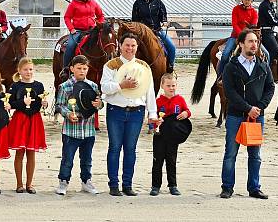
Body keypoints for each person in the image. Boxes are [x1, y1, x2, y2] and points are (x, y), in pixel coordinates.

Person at [100, 33, 157, 196]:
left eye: (133, 46)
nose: (130, 48)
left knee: (131, 149)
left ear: (137, 47)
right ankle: (113, 185)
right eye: (127, 45)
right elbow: (104, 87)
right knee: (115, 147)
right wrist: (121, 85)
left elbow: (149, 91)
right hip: (116, 110)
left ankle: (127, 184)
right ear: (120, 46)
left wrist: (152, 113)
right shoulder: (111, 65)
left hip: (136, 112)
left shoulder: (144, 66)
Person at [220, 29, 274, 200]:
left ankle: (254, 187)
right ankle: (227, 187)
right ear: (241, 44)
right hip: (236, 115)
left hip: (257, 116)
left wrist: (259, 107)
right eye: (250, 41)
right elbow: (230, 92)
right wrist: (247, 108)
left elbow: (270, 87)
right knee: (231, 153)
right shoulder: (231, 66)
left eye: (256, 42)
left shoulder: (263, 65)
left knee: (255, 155)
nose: (254, 45)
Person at [55, 55, 104, 196]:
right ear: (72, 69)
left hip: (88, 130)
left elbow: (99, 104)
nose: (82, 71)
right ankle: (63, 182)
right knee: (67, 159)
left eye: (84, 68)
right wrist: (68, 114)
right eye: (79, 68)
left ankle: (86, 181)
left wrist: (98, 104)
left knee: (87, 159)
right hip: (71, 131)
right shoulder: (65, 86)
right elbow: (59, 105)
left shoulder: (93, 86)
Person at [7, 57, 48, 194]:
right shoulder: (15, 86)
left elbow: (39, 103)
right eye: (25, 69)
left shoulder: (39, 85)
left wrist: (44, 104)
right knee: (20, 152)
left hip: (34, 120)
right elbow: (10, 104)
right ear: (19, 71)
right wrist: (22, 103)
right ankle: (19, 184)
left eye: (30, 69)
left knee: (31, 153)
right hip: (20, 119)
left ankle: (29, 184)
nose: (28, 72)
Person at [149, 73, 191, 196]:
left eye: (173, 85)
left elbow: (187, 111)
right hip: (160, 135)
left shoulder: (180, 100)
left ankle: (172, 185)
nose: (171, 88)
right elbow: (151, 118)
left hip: (173, 136)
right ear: (162, 86)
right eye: (168, 85)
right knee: (157, 160)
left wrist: (185, 114)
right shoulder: (157, 101)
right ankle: (155, 186)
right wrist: (155, 123)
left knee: (172, 160)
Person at [60, 0, 105, 78]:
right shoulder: (73, 4)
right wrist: (71, 29)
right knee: (71, 46)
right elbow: (67, 17)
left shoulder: (94, 3)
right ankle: (66, 69)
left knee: (103, 43)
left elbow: (101, 15)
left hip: (92, 30)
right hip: (77, 30)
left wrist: (99, 25)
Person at [218, 0, 265, 80]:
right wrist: (241, 35)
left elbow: (253, 25)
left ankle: (264, 75)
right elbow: (234, 24)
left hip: (249, 37)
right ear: (242, 0)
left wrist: (248, 36)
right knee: (225, 55)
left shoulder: (254, 12)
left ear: (252, 1)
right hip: (236, 36)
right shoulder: (236, 9)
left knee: (266, 54)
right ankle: (221, 76)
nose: (247, 1)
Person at [132, 0, 176, 73]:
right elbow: (134, 20)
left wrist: (164, 22)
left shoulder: (159, 3)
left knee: (172, 47)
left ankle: (170, 65)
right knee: (129, 47)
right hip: (142, 33)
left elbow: (163, 16)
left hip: (157, 30)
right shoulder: (137, 4)